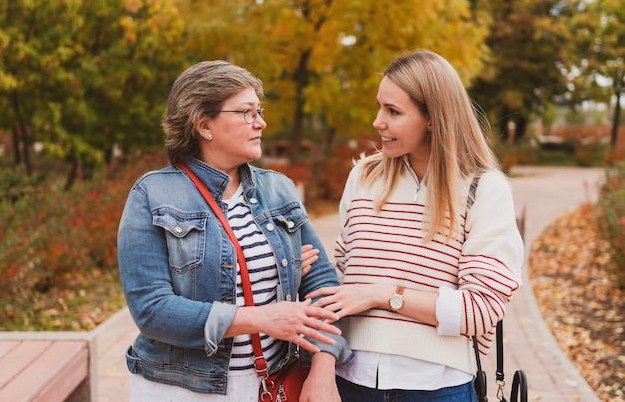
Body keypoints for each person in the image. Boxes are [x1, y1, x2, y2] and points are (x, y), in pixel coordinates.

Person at [117, 60, 351, 402]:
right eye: (246, 112)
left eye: (259, 110)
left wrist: (323, 368)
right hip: (179, 390)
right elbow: (153, 310)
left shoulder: (278, 190)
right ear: (204, 125)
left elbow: (324, 289)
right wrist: (261, 317)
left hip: (272, 386)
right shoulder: (152, 195)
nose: (261, 123)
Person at [307, 49, 524, 401]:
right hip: (349, 380)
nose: (379, 121)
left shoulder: (483, 188)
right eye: (380, 107)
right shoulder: (362, 177)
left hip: (437, 386)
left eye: (393, 111)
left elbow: (482, 308)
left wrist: (386, 294)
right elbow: (343, 282)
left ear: (433, 119)